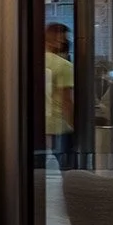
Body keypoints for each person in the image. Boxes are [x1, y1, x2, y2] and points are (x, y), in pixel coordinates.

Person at [45, 23, 76, 168]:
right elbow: (67, 101)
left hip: (40, 126)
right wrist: (75, 125)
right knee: (65, 172)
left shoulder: (31, 63)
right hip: (59, 126)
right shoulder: (64, 66)